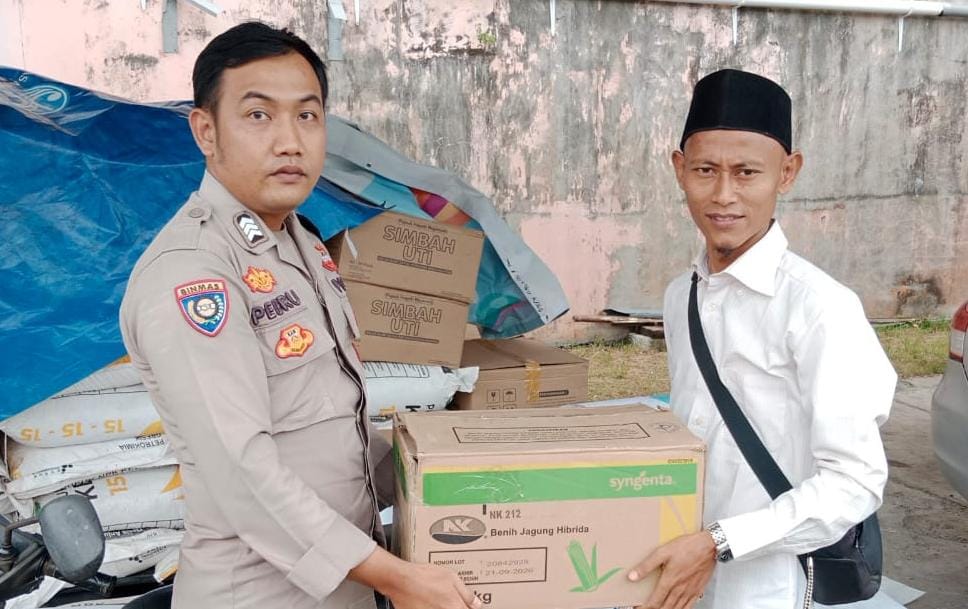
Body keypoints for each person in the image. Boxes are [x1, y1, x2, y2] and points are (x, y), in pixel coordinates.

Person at [120, 21, 482, 609]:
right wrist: (397, 578)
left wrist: (442, 465)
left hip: (346, 586)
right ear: (206, 131)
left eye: (307, 116)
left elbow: (330, 427)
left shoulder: (301, 244)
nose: (290, 141)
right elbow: (241, 472)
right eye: (258, 115)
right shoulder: (193, 273)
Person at [626, 69, 897, 609]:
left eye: (747, 172)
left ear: (787, 173)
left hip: (770, 584)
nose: (723, 195)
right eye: (705, 170)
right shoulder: (682, 295)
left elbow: (855, 481)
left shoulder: (820, 308)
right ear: (679, 169)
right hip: (680, 570)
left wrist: (719, 542)